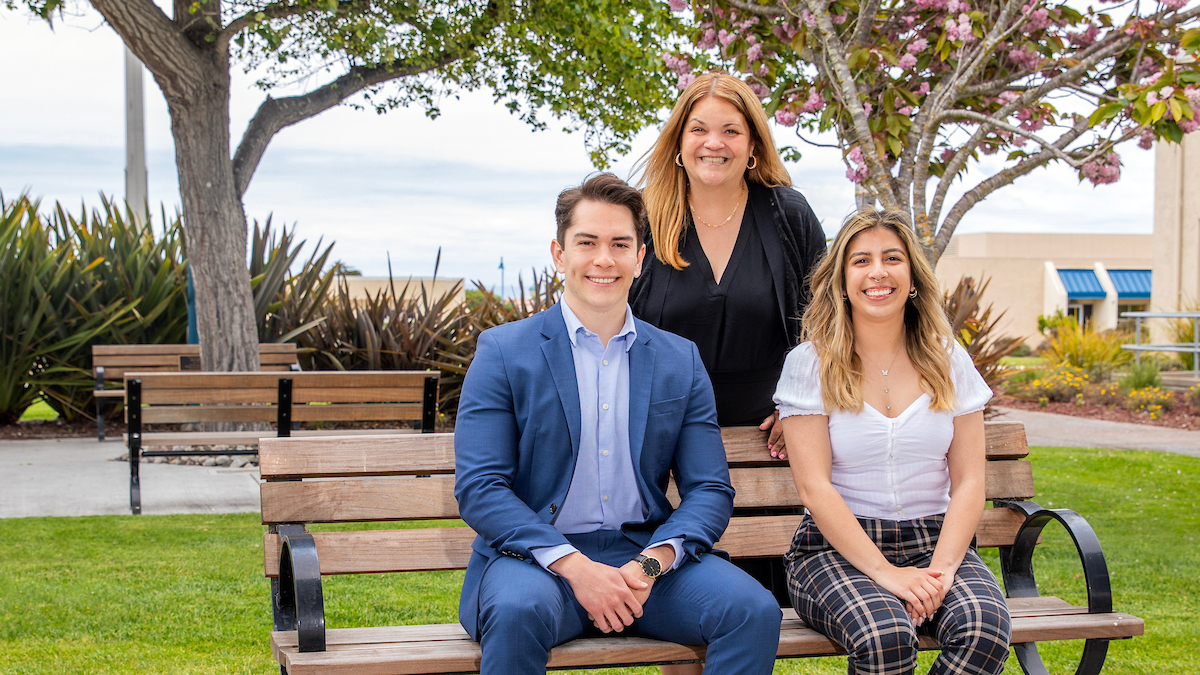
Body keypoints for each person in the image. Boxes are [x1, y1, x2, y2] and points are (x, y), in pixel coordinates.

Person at [454, 173, 782, 675]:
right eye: (587, 243)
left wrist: (649, 566)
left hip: (643, 562)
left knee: (750, 610)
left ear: (640, 258)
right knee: (517, 612)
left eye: (619, 244)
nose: (603, 259)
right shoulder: (503, 352)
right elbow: (480, 488)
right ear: (559, 254)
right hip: (536, 565)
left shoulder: (680, 359)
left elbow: (710, 489)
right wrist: (576, 567)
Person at [772, 209, 1012, 675]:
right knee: (886, 638)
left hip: (935, 542)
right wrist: (887, 574)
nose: (877, 272)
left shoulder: (948, 360)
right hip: (835, 550)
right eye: (861, 261)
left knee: (983, 630)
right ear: (842, 281)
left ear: (913, 276)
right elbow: (814, 490)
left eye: (892, 258)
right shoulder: (810, 364)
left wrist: (938, 577)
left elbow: (969, 484)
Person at [630, 72, 827, 461]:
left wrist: (804, 404)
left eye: (731, 131)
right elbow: (604, 323)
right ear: (679, 143)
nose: (714, 143)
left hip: (771, 443)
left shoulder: (788, 215)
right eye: (699, 129)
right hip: (657, 441)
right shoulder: (640, 219)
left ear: (753, 143)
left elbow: (830, 320)